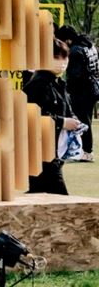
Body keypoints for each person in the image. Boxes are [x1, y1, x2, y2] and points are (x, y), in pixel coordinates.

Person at [23, 33, 80, 194]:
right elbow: (32, 116)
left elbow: (66, 107)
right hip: (40, 150)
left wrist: (73, 119)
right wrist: (63, 122)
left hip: (54, 149)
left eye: (65, 57)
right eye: (56, 57)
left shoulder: (57, 82)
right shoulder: (38, 84)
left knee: (40, 194)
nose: (62, 62)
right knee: (58, 195)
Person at [62, 26, 96, 163]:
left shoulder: (75, 51)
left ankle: (87, 152)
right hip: (93, 88)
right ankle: (85, 151)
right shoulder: (89, 46)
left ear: (68, 39)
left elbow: (75, 75)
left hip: (82, 91)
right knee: (86, 119)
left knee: (83, 120)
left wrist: (67, 89)